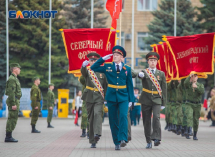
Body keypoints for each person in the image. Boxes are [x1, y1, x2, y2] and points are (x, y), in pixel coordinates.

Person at [91, 45, 135, 150]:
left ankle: (123, 138)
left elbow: (130, 85)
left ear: (122, 57)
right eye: (114, 54)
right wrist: (102, 59)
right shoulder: (108, 66)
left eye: (117, 55)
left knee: (124, 116)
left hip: (123, 96)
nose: (115, 56)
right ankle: (117, 142)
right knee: (113, 119)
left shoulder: (127, 69)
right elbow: (93, 68)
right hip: (111, 97)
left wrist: (131, 100)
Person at [138, 52, 167, 149]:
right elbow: (140, 76)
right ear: (148, 62)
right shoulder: (144, 72)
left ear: (157, 62)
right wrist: (140, 75)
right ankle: (148, 140)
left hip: (157, 99)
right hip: (146, 99)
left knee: (156, 118)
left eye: (154, 60)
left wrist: (164, 102)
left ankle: (157, 138)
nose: (152, 62)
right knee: (146, 121)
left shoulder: (161, 74)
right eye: (151, 60)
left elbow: (164, 89)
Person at [81, 52, 108, 148]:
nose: (92, 62)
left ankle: (97, 134)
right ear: (89, 61)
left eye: (94, 60)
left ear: (98, 61)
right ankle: (92, 141)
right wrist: (83, 67)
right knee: (91, 118)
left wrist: (106, 98)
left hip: (99, 97)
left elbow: (106, 85)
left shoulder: (102, 71)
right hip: (89, 97)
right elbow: (83, 75)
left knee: (97, 114)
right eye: (91, 60)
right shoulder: (88, 71)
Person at [4, 63, 22, 142]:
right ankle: (8, 137)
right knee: (12, 118)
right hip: (13, 100)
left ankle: (9, 136)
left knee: (14, 118)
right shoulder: (12, 79)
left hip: (15, 100)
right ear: (14, 69)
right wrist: (13, 103)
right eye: (18, 68)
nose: (19, 70)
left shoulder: (15, 78)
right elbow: (11, 92)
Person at [184, 74, 204, 140]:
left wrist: (196, 87)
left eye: (195, 76)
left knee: (196, 120)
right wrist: (189, 76)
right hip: (189, 103)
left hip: (197, 105)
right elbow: (185, 83)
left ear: (197, 77)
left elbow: (202, 91)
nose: (194, 77)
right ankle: (189, 130)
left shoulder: (200, 85)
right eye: (193, 76)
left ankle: (195, 134)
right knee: (189, 116)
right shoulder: (188, 84)